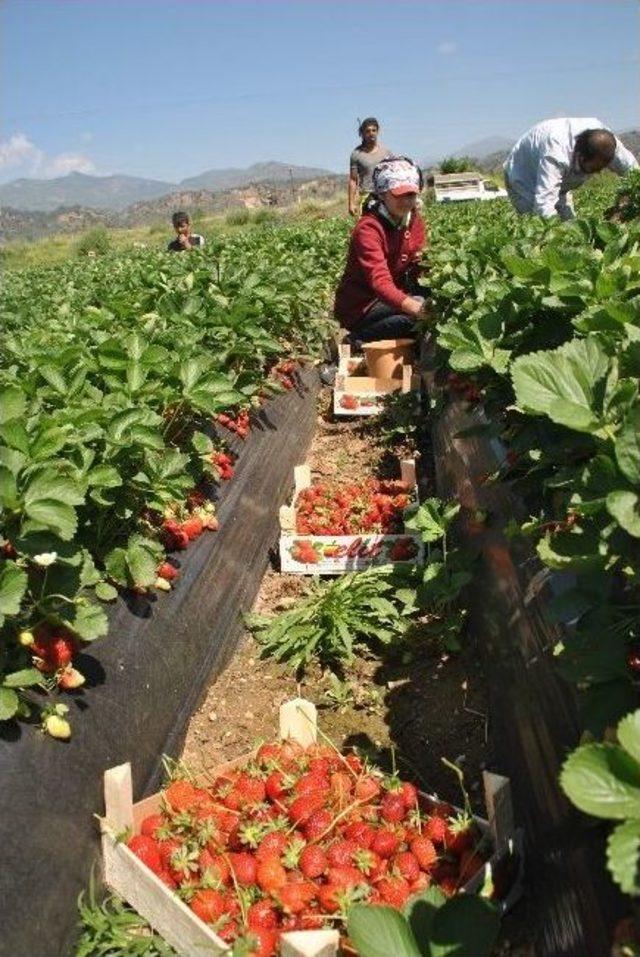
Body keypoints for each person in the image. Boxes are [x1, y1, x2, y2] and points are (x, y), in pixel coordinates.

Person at [334, 156, 429, 343]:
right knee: (412, 321)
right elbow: (380, 283)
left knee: (435, 303)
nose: (406, 201)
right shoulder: (368, 229)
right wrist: (418, 309)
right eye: (398, 194)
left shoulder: (414, 220)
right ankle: (354, 340)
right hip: (362, 306)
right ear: (382, 193)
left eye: (410, 194)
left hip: (391, 296)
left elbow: (420, 262)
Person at [504, 117, 638, 220]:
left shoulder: (607, 144)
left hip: (561, 183)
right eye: (592, 169)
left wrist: (624, 206)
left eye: (601, 168)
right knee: (539, 225)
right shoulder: (556, 153)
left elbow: (635, 175)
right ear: (580, 156)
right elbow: (543, 206)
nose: (597, 173)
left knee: (570, 225)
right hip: (523, 178)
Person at [348, 117, 393, 217]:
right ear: (362, 133)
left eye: (374, 130)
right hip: (366, 197)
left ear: (378, 132)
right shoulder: (356, 154)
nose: (371, 133)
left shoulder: (386, 152)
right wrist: (351, 203)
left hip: (385, 197)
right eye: (368, 131)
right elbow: (353, 180)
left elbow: (393, 175)